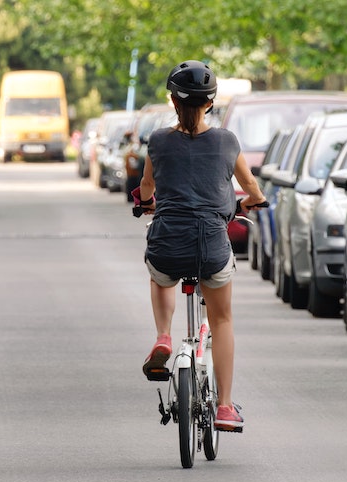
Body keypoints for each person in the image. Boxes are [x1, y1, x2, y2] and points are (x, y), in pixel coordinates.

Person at [136, 60, 267, 432]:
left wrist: (146, 202)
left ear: (173, 103)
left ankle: (163, 335)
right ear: (210, 103)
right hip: (211, 244)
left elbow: (148, 188)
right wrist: (251, 201)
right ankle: (224, 406)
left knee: (160, 275)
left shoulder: (158, 141)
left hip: (168, 241)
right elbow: (252, 190)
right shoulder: (227, 142)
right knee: (222, 319)